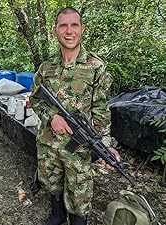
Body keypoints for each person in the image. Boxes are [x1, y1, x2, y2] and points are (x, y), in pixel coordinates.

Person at [29, 7, 121, 225]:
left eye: (74, 25)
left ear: (82, 29)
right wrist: (52, 116)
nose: (69, 31)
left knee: (79, 190)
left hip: (78, 146)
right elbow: (35, 98)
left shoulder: (96, 67)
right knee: (52, 181)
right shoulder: (46, 66)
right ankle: (57, 215)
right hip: (48, 143)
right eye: (63, 25)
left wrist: (105, 144)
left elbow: (101, 110)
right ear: (55, 31)